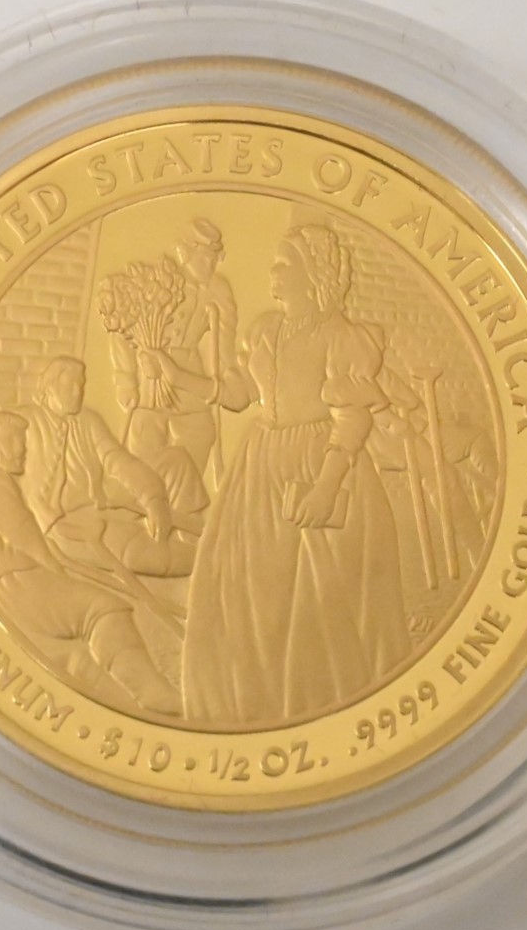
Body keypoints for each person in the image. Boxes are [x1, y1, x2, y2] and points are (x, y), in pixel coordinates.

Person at [171, 224, 410, 725]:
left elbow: (352, 419)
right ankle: (245, 707)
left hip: (323, 464)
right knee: (246, 590)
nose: (274, 273)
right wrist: (178, 377)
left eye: (285, 265)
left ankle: (317, 709)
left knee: (317, 598)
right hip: (260, 470)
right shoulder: (264, 331)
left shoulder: (344, 338)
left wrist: (325, 487)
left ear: (314, 274)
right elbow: (237, 395)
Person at [0, 411, 182, 716]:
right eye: (16, 439)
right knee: (103, 608)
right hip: (19, 583)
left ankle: (126, 709)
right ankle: (152, 694)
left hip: (13, 582)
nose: (23, 447)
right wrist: (54, 567)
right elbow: (21, 531)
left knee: (77, 659)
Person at [18, 356, 206, 579]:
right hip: (72, 525)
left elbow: (118, 461)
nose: (78, 392)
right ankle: (207, 561)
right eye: (71, 385)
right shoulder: (27, 422)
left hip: (107, 499)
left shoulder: (88, 420)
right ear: (50, 386)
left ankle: (197, 534)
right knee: (150, 556)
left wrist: (153, 498)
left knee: (175, 460)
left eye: (81, 385)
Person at [112, 218, 238, 483]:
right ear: (186, 253)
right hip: (150, 382)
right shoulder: (159, 281)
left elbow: (225, 343)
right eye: (205, 258)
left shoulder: (218, 290)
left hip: (190, 380)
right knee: (144, 452)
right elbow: (121, 326)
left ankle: (187, 501)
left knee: (200, 436)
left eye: (215, 258)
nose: (211, 265)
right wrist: (126, 381)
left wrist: (226, 383)